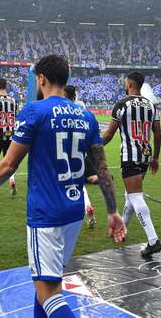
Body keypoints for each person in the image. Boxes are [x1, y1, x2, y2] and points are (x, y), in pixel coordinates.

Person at [0, 54, 125, 318]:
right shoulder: (86, 116)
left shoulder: (34, 111)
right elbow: (102, 168)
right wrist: (112, 211)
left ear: (41, 79)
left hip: (45, 214)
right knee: (44, 283)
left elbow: (9, 164)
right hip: (73, 212)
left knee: (48, 292)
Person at [101, 71, 161, 257]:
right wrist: (155, 157)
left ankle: (153, 240)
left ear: (129, 83)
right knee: (130, 195)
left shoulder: (122, 104)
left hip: (130, 156)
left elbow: (109, 134)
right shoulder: (151, 106)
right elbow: (158, 134)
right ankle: (123, 229)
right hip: (146, 155)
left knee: (135, 196)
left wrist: (93, 146)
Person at [64, 84, 97, 228]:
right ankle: (87, 206)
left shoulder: (62, 108)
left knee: (62, 182)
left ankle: (69, 214)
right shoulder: (81, 107)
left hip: (65, 149)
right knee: (79, 183)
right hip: (80, 149)